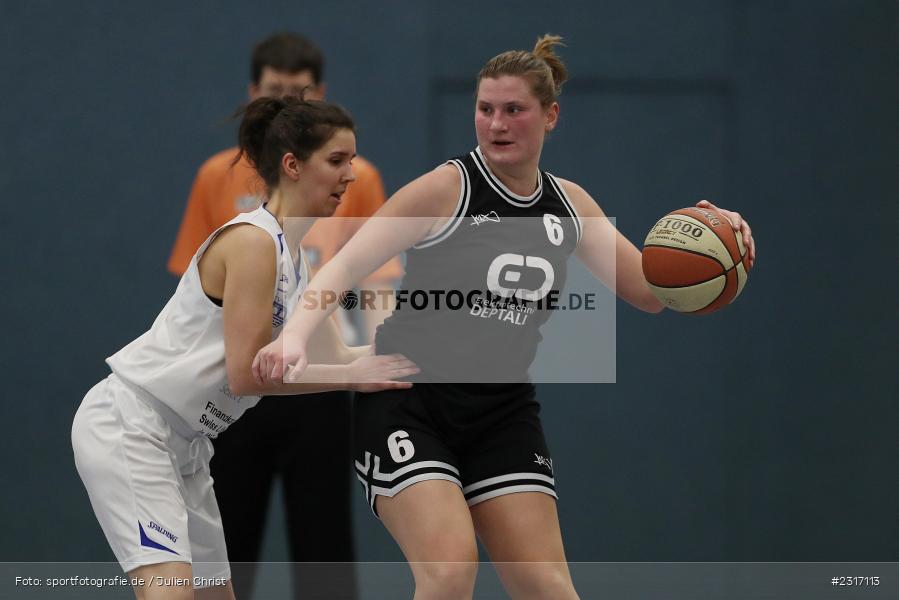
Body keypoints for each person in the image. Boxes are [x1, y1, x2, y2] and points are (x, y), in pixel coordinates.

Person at [253, 35, 757, 599]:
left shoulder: (569, 205)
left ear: (551, 116)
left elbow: (648, 291)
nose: (496, 123)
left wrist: (714, 243)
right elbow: (341, 268)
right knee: (449, 570)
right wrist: (294, 337)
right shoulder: (449, 188)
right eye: (485, 109)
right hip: (408, 399)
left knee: (548, 588)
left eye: (513, 109)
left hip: (500, 411)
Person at [71, 96, 418, 600]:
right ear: (293, 165)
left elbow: (338, 358)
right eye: (337, 161)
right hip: (133, 426)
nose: (351, 175)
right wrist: (352, 377)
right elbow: (247, 376)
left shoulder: (297, 263)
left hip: (187, 446)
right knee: (169, 593)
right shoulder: (253, 243)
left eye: (353, 160)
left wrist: (428, 356)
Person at [166, 32, 400, 599]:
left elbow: (374, 283)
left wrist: (378, 360)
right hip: (233, 392)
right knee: (226, 547)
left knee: (323, 550)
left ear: (319, 93)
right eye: (276, 93)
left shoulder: (355, 180)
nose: (289, 105)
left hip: (314, 382)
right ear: (255, 94)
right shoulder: (221, 185)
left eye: (301, 94)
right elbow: (195, 299)